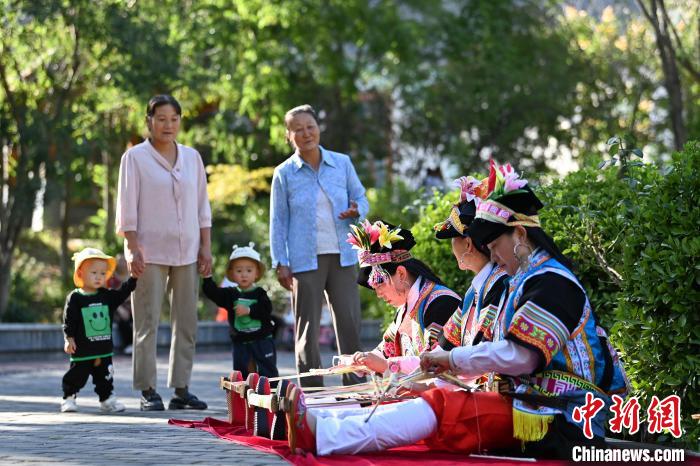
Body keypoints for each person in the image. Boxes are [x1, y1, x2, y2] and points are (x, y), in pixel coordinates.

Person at [283, 161, 630, 459]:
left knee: (446, 406)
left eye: (495, 244)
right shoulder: (521, 283)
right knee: (438, 402)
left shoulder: (553, 283)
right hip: (533, 407)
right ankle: (324, 428)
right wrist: (424, 368)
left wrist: (447, 361)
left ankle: (325, 434)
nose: (493, 255)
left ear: (521, 235)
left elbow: (522, 357)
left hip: (564, 418)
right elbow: (468, 356)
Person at [116, 94, 212, 411]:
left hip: (188, 252)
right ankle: (147, 390)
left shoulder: (192, 158)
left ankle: (181, 389)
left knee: (187, 322)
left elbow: (202, 207)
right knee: (147, 322)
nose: (168, 125)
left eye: (173, 119)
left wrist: (206, 248)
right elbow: (127, 209)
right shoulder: (134, 158)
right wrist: (132, 249)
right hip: (149, 253)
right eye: (161, 119)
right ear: (149, 121)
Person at [269, 104, 368, 387]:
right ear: (288, 136)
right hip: (304, 260)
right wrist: (280, 261)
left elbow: (361, 197)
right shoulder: (284, 173)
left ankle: (356, 387)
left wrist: (357, 209)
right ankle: (312, 392)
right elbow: (278, 221)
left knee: (349, 325)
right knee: (307, 330)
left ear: (318, 128)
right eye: (298, 129)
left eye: (310, 127)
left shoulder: (342, 163)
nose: (306, 133)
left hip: (343, 255)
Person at [347, 220, 461, 375]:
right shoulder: (405, 308)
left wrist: (387, 365)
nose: (378, 294)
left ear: (401, 273)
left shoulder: (442, 302)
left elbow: (436, 363)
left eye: (380, 283)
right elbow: (384, 352)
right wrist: (365, 360)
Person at [433, 176, 508, 351]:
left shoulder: (499, 284)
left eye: (453, 238)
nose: (452, 246)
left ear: (468, 244)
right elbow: (444, 346)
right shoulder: (475, 290)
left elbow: (479, 351)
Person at [61, 248, 137, 413]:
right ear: (80, 274)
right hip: (82, 350)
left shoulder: (106, 296)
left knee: (105, 377)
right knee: (76, 376)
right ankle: (69, 397)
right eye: (93, 273)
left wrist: (133, 279)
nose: (98, 277)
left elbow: (122, 293)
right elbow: (69, 321)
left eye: (103, 273)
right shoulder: (75, 298)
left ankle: (107, 399)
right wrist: (69, 338)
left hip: (103, 350)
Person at [202, 243, 278, 380]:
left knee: (267, 369)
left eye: (249, 270)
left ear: (256, 273)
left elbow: (266, 310)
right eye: (239, 271)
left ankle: (270, 389)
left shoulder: (260, 293)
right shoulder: (230, 294)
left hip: (262, 339)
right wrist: (207, 277)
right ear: (232, 274)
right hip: (241, 342)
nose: (244, 275)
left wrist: (249, 310)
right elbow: (213, 293)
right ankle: (244, 390)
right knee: (242, 371)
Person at [107, 254, 134, 355]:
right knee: (122, 320)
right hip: (117, 307)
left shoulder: (132, 276)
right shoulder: (111, 279)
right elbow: (110, 296)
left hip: (130, 305)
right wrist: (120, 308)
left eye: (124, 261)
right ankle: (128, 344)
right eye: (120, 261)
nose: (122, 263)